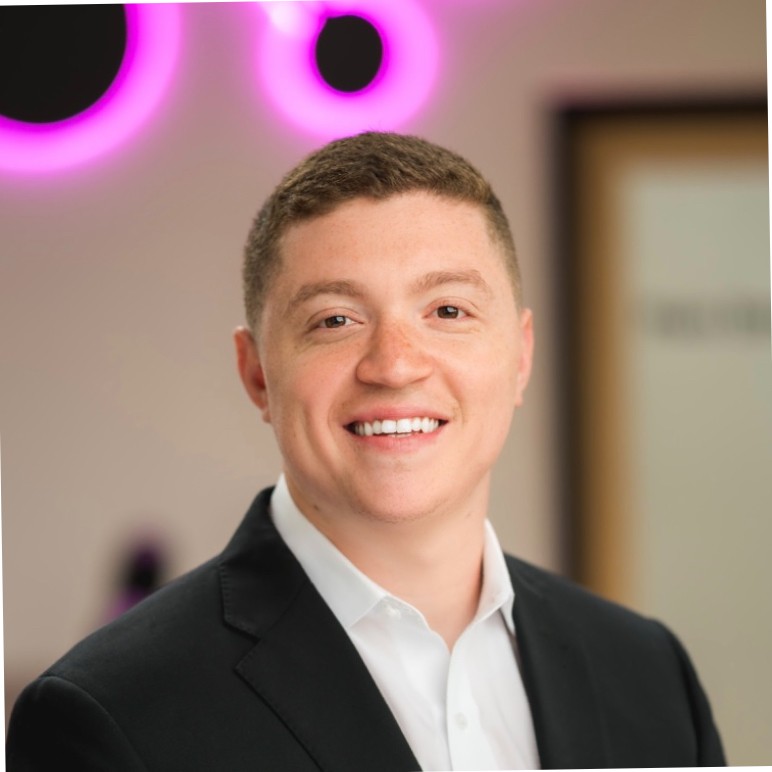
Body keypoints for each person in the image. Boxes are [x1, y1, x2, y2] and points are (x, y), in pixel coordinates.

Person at [6, 132, 725, 771]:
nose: (395, 364)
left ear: (521, 356)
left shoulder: (649, 675)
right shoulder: (107, 714)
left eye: (448, 310)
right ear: (257, 374)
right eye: (335, 320)